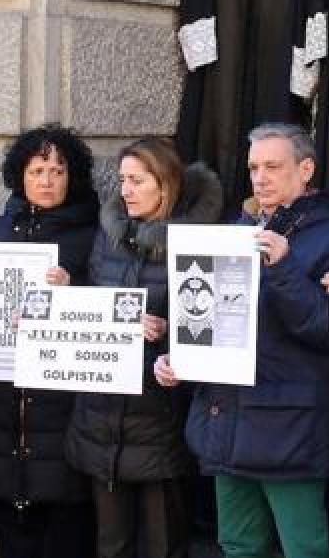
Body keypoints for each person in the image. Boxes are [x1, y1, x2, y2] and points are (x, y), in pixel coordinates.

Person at [156, 123, 329, 558]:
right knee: (238, 545)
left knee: (305, 549)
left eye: (273, 166)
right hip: (227, 416)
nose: (260, 177)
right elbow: (205, 316)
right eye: (254, 167)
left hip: (290, 425)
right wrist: (177, 357)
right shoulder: (232, 230)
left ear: (306, 169)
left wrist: (283, 265)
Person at [63, 138, 221, 558]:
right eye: (121, 181)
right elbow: (91, 306)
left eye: (136, 180)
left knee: (163, 544)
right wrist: (58, 303)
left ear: (164, 185)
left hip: (159, 417)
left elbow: (213, 328)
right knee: (111, 544)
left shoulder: (200, 242)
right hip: (101, 414)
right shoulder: (108, 236)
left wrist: (169, 332)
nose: (125, 190)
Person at [0, 125, 100, 557]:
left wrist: (73, 290)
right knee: (13, 527)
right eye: (37, 169)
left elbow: (110, 309)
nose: (46, 180)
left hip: (63, 398)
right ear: (19, 175)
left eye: (57, 171)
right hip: (6, 396)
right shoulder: (0, 229)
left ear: (72, 177)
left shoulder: (94, 233)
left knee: (66, 524)